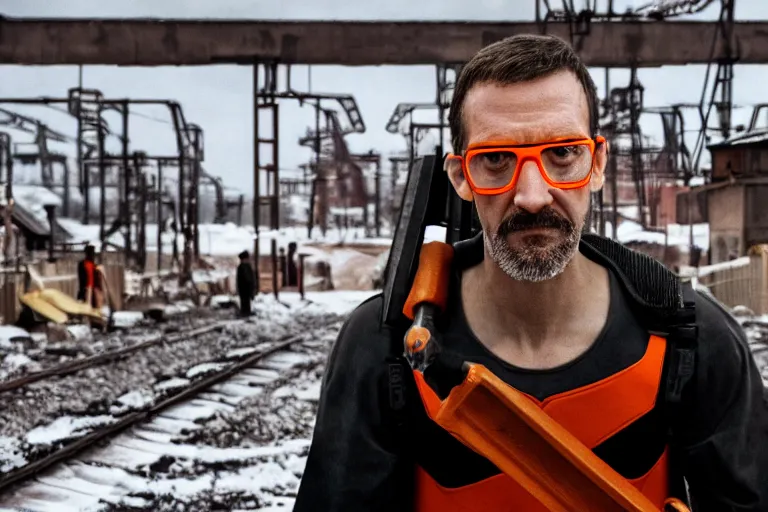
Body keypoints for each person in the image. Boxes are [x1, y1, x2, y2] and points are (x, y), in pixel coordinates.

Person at [293, 34, 768, 511]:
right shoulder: (383, 346)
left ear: (597, 163)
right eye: (496, 160)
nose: (533, 195)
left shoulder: (693, 340)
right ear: (460, 177)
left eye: (562, 153)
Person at [236, 250, 255, 316]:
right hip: (245, 287)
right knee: (245, 300)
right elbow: (248, 278)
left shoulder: (243, 266)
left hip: (244, 288)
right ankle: (245, 312)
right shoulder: (244, 267)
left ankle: (246, 312)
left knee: (246, 301)